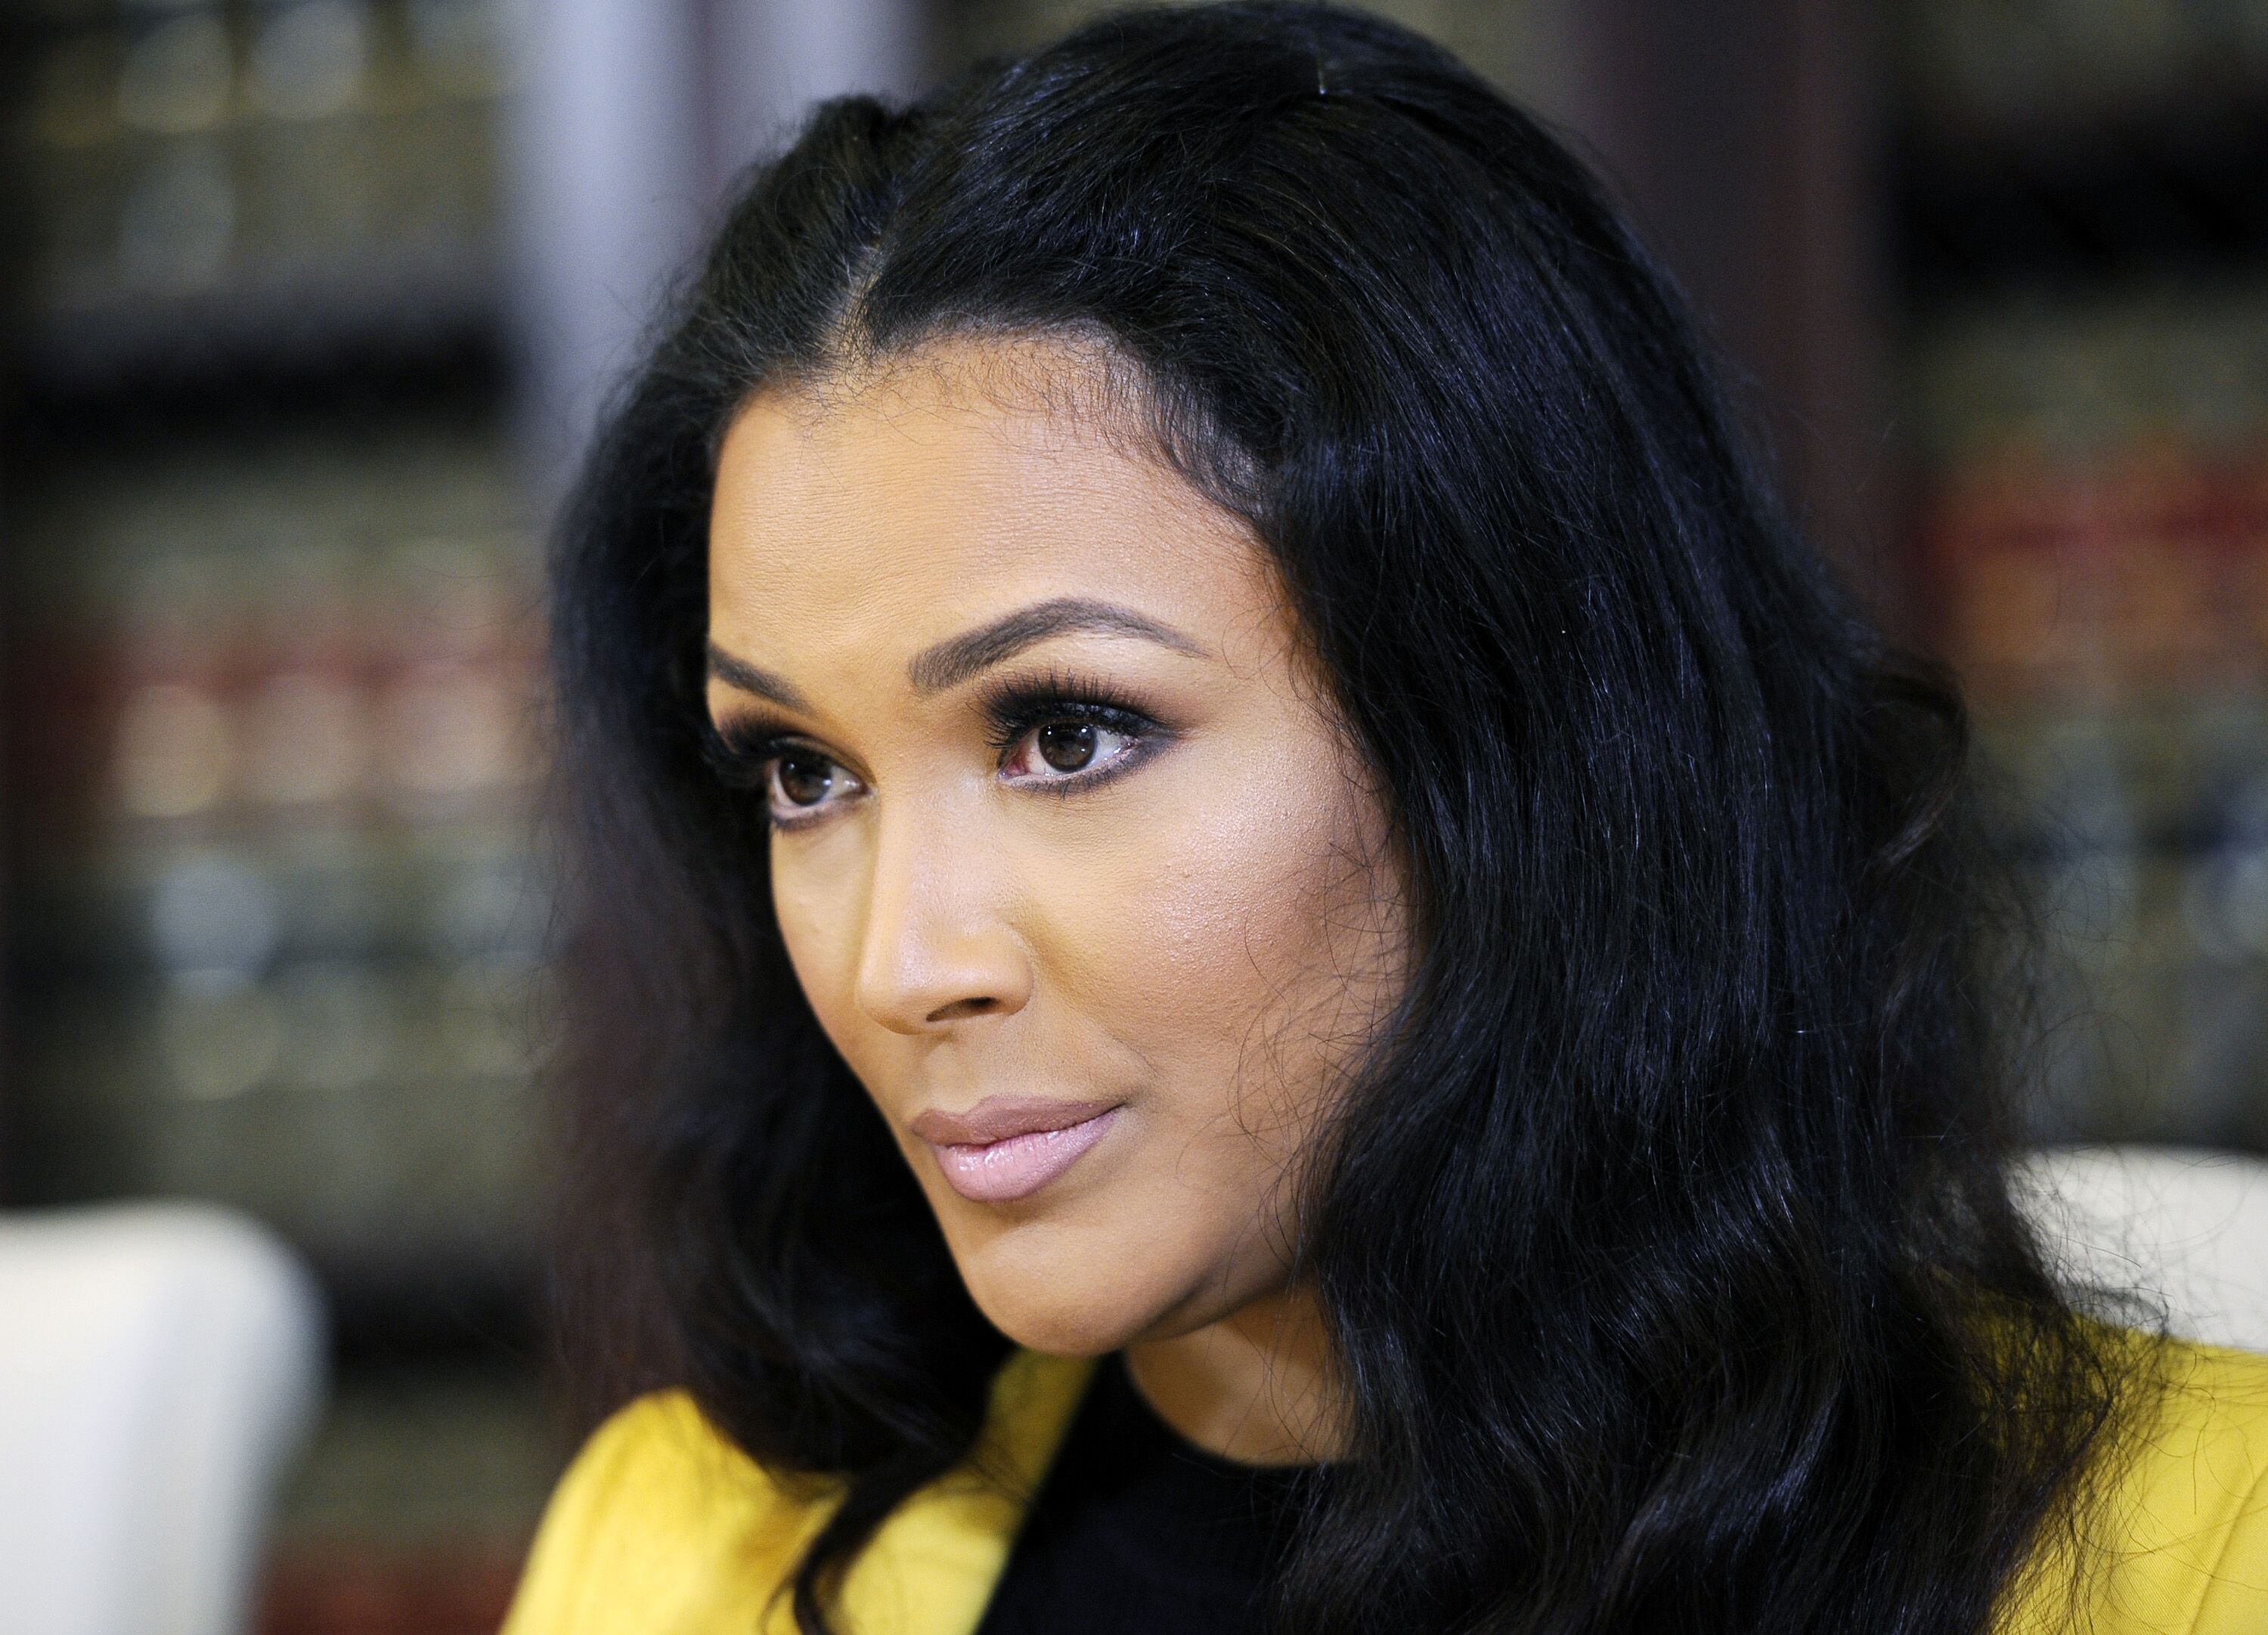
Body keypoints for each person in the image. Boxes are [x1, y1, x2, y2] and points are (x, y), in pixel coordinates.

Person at [501, 6, 2268, 1633]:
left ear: (1521, 737)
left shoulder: (2202, 1545)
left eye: (1065, 733)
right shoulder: (694, 1552)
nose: (902, 961)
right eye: (804, 775)